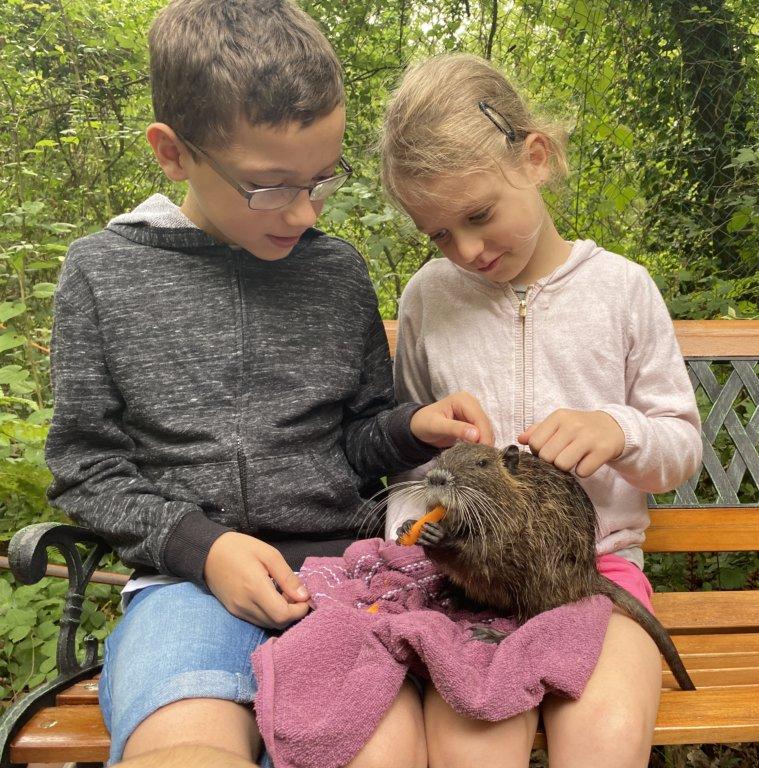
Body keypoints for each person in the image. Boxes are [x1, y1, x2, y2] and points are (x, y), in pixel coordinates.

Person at [43, 4, 490, 766]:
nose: (305, 210)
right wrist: (203, 549)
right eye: (269, 186)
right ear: (173, 153)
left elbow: (356, 440)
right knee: (183, 748)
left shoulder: (336, 271)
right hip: (185, 585)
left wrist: (407, 429)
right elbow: (86, 467)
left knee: (382, 752)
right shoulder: (101, 274)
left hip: (342, 586)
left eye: (321, 179)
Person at [378, 53, 703, 768]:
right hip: (467, 585)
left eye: (478, 215)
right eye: (437, 234)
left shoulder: (623, 290)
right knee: (470, 749)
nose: (464, 250)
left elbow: (680, 448)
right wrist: (416, 512)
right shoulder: (428, 300)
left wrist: (617, 430)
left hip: (600, 575)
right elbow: (408, 464)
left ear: (537, 157)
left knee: (606, 740)